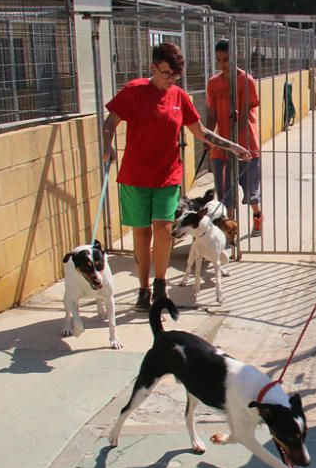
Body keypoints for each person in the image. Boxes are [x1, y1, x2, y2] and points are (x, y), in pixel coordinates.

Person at [102, 42, 252, 311]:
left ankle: (159, 286)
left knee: (163, 230)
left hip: (167, 178)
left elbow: (202, 131)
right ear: (153, 68)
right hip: (135, 177)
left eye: (175, 75)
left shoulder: (180, 97)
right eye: (165, 74)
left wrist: (233, 146)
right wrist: (107, 145)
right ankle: (143, 289)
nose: (170, 80)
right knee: (141, 233)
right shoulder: (134, 91)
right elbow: (109, 122)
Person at [206, 38, 264, 236]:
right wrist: (209, 139)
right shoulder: (213, 83)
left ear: (235, 57)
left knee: (251, 192)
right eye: (219, 60)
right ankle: (230, 233)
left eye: (226, 59)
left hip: (246, 145)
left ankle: (257, 219)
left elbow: (245, 110)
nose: (223, 64)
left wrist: (234, 144)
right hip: (221, 148)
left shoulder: (246, 81)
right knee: (225, 195)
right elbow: (211, 114)